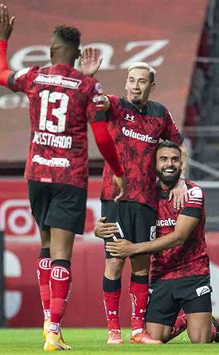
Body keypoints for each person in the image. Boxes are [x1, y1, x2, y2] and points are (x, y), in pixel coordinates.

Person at [0, 4, 126, 352]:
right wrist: (120, 171)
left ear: (52, 50)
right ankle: (53, 329)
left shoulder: (35, 76)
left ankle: (48, 326)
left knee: (46, 246)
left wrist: (2, 40)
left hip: (36, 173)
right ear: (78, 55)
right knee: (63, 252)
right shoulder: (86, 86)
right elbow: (102, 137)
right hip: (69, 176)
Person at [80, 50, 188, 345]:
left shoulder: (159, 113)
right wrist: (88, 78)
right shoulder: (115, 106)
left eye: (142, 81)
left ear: (151, 86)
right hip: (115, 198)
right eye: (131, 80)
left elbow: (178, 146)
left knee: (141, 265)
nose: (135, 86)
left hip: (146, 200)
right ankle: (113, 330)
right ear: (126, 84)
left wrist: (178, 180)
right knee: (114, 262)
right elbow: (90, 103)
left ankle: (138, 330)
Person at [96, 140, 219, 344]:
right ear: (154, 164)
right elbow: (123, 222)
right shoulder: (145, 197)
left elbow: (179, 236)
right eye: (164, 159)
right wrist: (100, 230)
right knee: (155, 338)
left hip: (193, 273)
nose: (170, 164)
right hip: (161, 275)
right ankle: (185, 320)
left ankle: (210, 327)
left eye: (175, 159)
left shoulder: (193, 193)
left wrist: (133, 248)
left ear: (181, 163)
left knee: (200, 340)